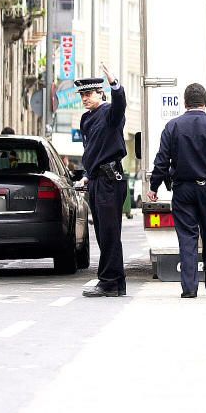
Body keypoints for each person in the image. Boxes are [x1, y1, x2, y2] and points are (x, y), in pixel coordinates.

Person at [147, 83, 206, 298]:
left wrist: (154, 187)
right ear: (205, 103)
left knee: (187, 238)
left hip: (183, 190)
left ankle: (189, 288)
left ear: (185, 102)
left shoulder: (172, 126)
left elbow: (162, 160)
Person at [76, 64, 128, 298]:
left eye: (89, 94)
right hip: (97, 179)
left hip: (110, 180)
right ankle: (113, 282)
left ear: (101, 93)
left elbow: (120, 105)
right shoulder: (86, 119)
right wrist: (87, 174)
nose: (85, 98)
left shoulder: (109, 112)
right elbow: (93, 150)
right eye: (82, 95)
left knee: (109, 233)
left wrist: (114, 83)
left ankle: (110, 281)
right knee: (102, 234)